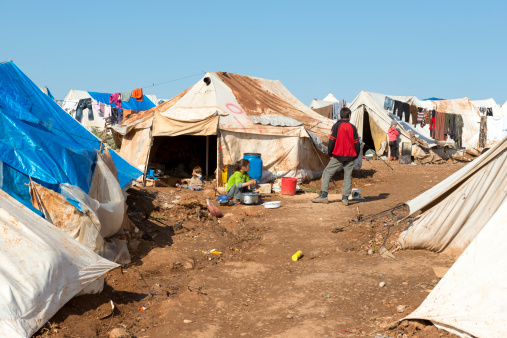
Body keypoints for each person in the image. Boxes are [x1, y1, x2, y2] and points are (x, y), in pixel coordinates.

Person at [312, 107, 360, 206]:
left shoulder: (336, 126)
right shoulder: (353, 127)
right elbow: (357, 143)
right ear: (349, 116)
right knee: (348, 176)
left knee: (327, 172)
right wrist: (356, 155)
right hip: (350, 155)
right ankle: (345, 199)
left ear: (340, 115)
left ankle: (324, 195)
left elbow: (332, 141)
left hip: (338, 155)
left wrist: (330, 153)